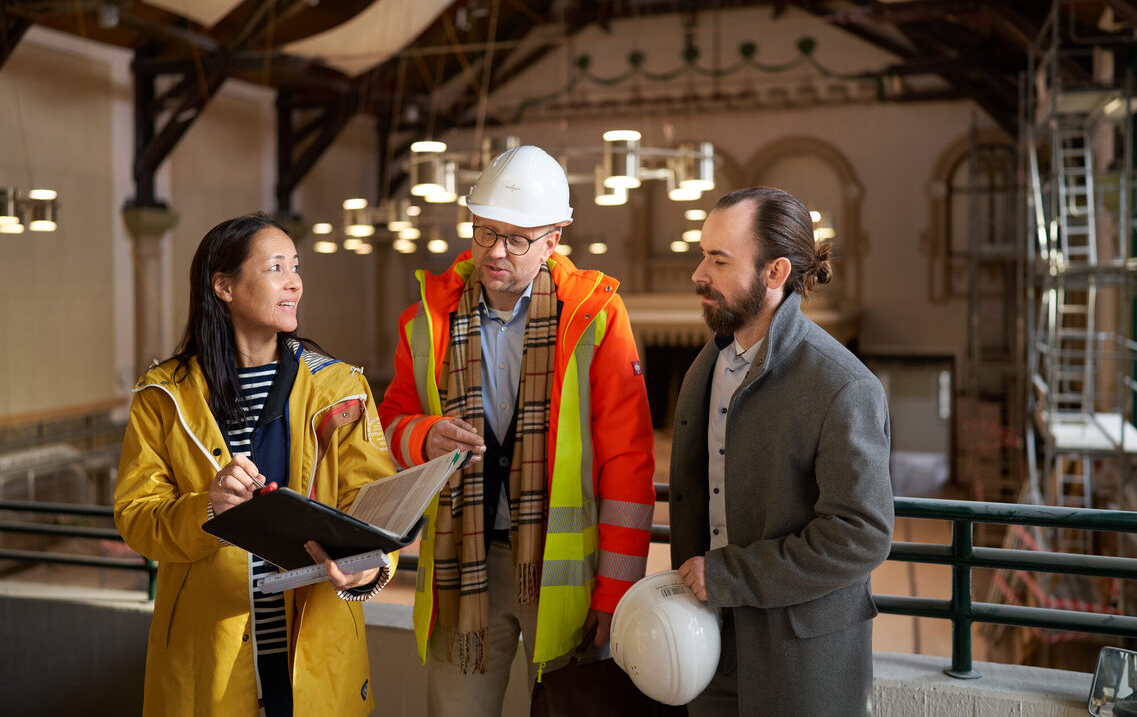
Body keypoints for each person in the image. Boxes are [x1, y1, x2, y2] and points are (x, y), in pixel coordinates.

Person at [378, 145, 656, 717]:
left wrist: (617, 590)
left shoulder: (595, 319)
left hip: (561, 576)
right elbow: (389, 424)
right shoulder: (428, 320)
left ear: (554, 239)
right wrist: (424, 435)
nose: (495, 252)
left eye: (517, 239)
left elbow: (626, 459)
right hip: (464, 568)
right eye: (483, 232)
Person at [114, 213, 398, 717]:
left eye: (296, 266)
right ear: (223, 285)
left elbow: (375, 507)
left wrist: (371, 567)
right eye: (275, 268)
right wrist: (208, 508)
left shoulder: (340, 390)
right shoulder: (162, 395)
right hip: (209, 657)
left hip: (315, 649)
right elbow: (137, 518)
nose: (295, 282)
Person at [669, 187, 894, 717]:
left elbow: (862, 535)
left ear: (775, 273)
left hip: (797, 659)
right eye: (702, 255)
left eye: (718, 260)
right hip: (710, 642)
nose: (698, 274)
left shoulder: (843, 386)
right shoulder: (711, 365)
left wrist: (727, 576)